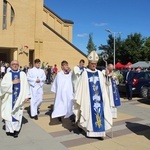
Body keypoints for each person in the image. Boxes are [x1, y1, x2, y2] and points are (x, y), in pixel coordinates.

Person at [73, 51, 112, 139]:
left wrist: (107, 77)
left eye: (95, 64)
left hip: (98, 99)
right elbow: (81, 87)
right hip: (88, 99)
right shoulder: (85, 73)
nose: (94, 65)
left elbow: (104, 85)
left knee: (100, 114)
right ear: (89, 63)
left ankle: (100, 133)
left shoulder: (99, 73)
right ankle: (89, 131)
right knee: (88, 115)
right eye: (92, 63)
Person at [0, 60, 30, 138]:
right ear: (10, 65)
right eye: (13, 64)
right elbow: (2, 86)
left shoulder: (22, 74)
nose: (15, 65)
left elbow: (26, 85)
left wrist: (27, 96)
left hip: (19, 98)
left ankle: (16, 130)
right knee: (8, 114)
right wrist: (12, 83)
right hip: (9, 98)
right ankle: (9, 130)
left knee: (18, 114)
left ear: (18, 65)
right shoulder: (7, 75)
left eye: (16, 64)